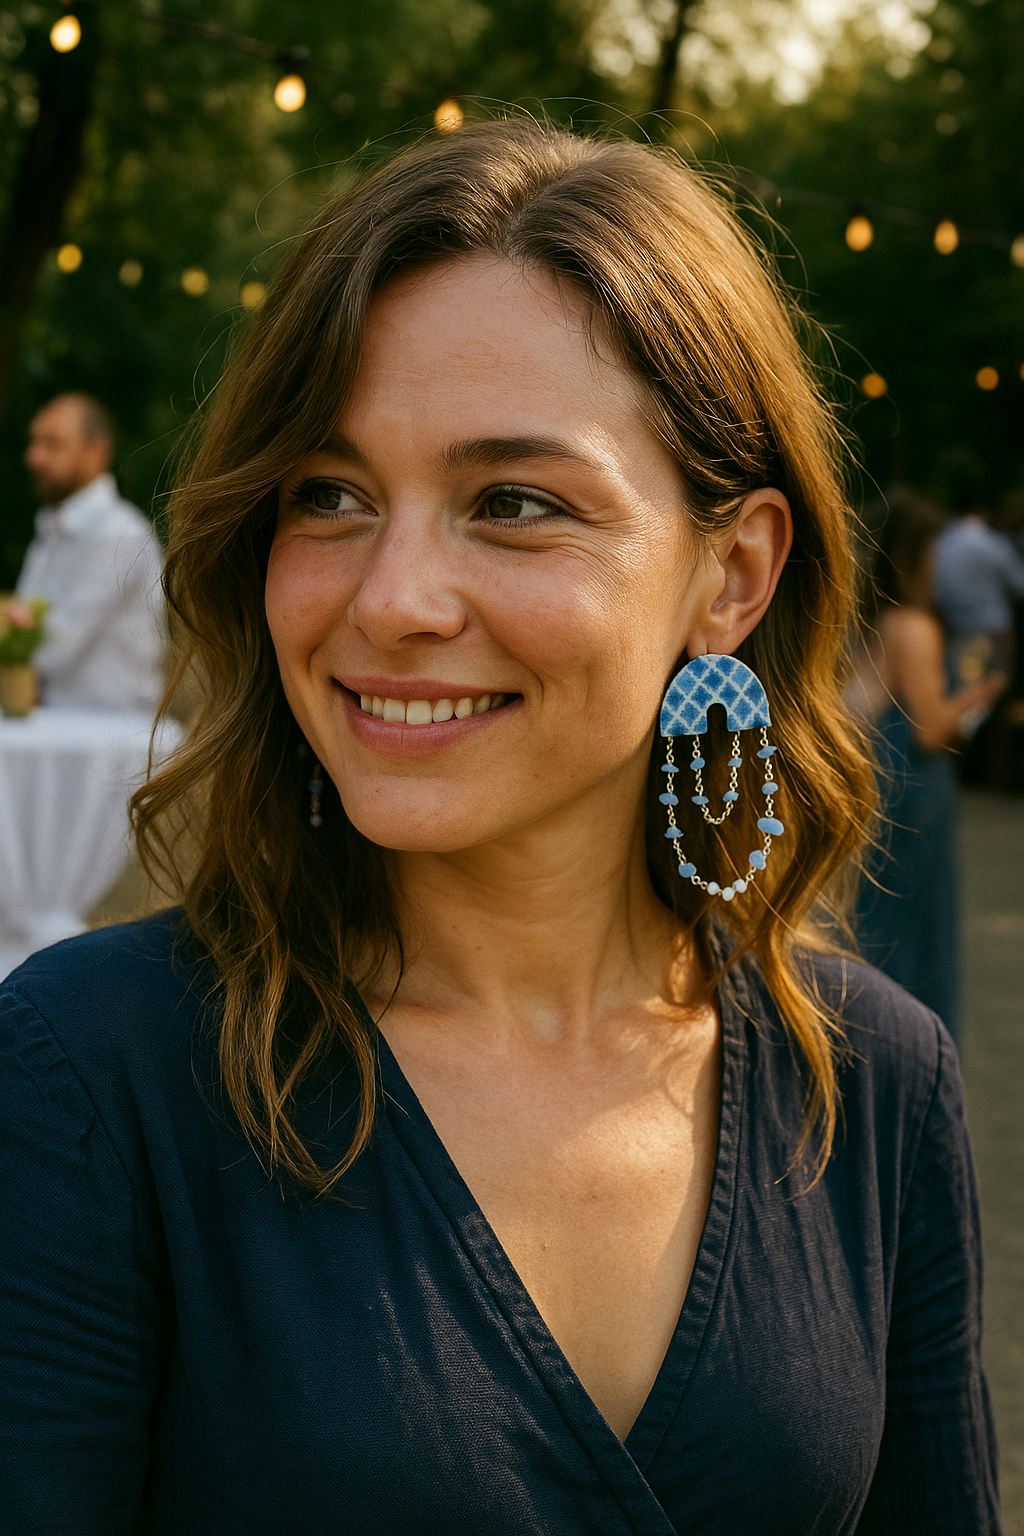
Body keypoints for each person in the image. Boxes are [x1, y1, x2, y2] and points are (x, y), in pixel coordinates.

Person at [0, 123, 999, 1534]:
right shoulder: (87, 1077)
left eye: (516, 503)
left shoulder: (881, 1086)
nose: (393, 595)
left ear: (734, 575)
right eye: (329, 495)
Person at [850, 489, 1006, 1046]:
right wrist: (981, 691)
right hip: (915, 786)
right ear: (917, 551)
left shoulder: (877, 620)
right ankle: (910, 1050)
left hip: (879, 779)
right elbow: (931, 728)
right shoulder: (914, 624)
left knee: (877, 919)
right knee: (918, 930)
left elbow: (857, 705)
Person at [15, 392, 165, 711]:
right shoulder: (52, 527)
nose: (34, 457)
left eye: (52, 445)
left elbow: (49, 648)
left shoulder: (119, 535)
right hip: (53, 723)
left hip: (107, 736)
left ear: (96, 454)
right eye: (35, 442)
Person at [933, 499, 1024, 687]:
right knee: (995, 685)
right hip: (994, 628)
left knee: (965, 688)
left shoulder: (942, 541)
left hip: (958, 628)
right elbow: (1019, 585)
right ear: (983, 513)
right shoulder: (992, 542)